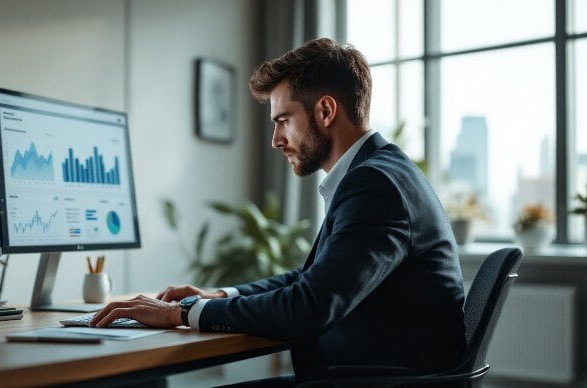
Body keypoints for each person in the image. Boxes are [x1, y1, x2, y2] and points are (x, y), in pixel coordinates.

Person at [90, 38, 466, 385]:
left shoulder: (375, 185)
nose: (276, 140)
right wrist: (219, 295)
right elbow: (310, 280)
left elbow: (309, 306)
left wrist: (183, 312)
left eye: (283, 120)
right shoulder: (381, 172)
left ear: (325, 110)